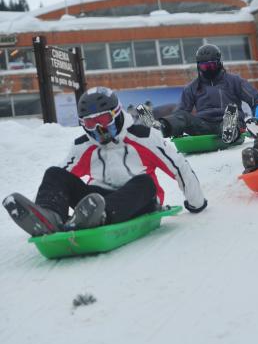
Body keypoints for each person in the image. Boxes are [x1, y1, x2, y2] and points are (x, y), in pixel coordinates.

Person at [2, 87, 207, 237]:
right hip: (96, 202)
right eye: (91, 123)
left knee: (145, 183)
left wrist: (195, 202)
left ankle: (99, 217)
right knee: (54, 173)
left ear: (117, 115)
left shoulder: (144, 137)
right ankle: (49, 217)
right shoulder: (83, 146)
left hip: (138, 200)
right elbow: (62, 178)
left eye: (104, 120)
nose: (99, 129)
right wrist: (56, 200)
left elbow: (178, 166)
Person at [138, 44, 258, 144]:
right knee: (182, 115)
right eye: (204, 66)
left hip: (230, 119)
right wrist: (175, 123)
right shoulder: (192, 87)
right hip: (204, 124)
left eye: (211, 65)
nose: (208, 69)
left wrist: (257, 121)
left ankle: (229, 131)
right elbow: (181, 111)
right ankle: (163, 127)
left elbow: (255, 100)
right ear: (199, 66)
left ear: (219, 63)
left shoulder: (234, 81)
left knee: (231, 114)